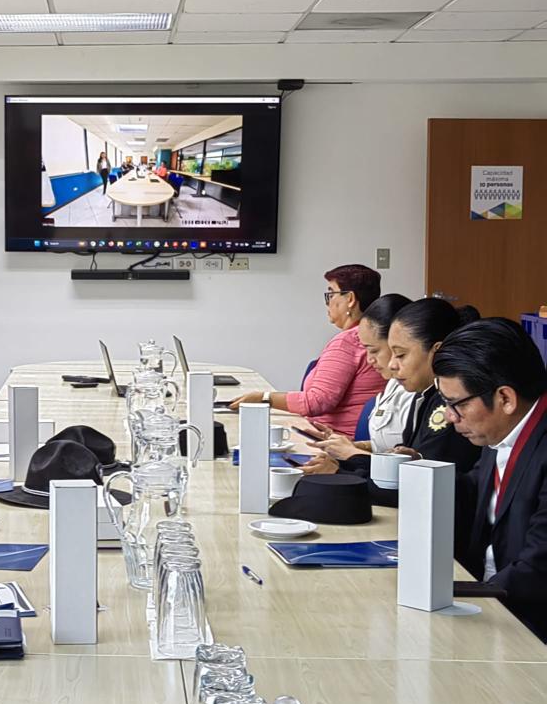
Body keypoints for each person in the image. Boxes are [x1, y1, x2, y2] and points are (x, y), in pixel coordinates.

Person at [433, 318, 547, 642]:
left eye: (457, 404)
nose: (450, 417)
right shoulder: (502, 430)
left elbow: (538, 567)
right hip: (494, 603)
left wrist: (453, 594)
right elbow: (471, 490)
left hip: (527, 628)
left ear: (505, 398)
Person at [231, 264, 386, 436]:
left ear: (350, 299)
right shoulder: (372, 338)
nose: (327, 303)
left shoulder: (348, 341)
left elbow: (317, 401)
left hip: (332, 440)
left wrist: (264, 398)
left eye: (330, 295)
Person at [299, 293, 413, 473]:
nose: (369, 360)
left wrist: (350, 454)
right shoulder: (394, 384)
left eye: (374, 350)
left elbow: (408, 467)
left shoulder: (419, 392)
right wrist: (346, 445)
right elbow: (386, 446)